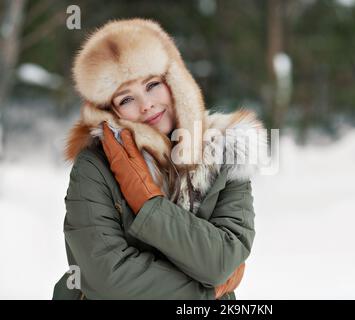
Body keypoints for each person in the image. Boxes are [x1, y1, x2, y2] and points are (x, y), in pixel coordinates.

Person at [52, 18, 265, 300]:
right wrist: (205, 292)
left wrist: (148, 204)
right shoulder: (93, 167)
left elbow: (222, 260)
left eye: (152, 84)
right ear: (109, 110)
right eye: (126, 99)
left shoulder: (226, 151)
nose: (146, 104)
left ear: (175, 80)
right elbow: (108, 279)